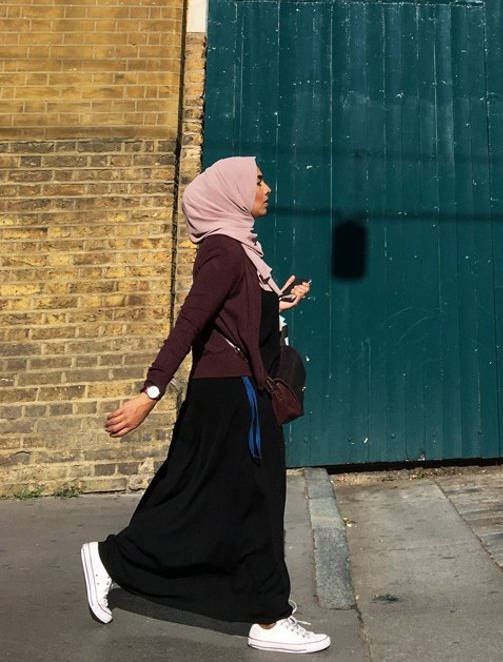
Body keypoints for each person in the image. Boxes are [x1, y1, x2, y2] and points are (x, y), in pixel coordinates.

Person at [79, 156, 330, 655]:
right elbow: (190, 323)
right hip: (230, 398)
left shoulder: (242, 251)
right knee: (250, 501)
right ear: (232, 191)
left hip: (240, 393)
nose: (267, 186)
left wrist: (277, 303)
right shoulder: (223, 251)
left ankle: (115, 561)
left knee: (213, 497)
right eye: (257, 180)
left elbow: (232, 315)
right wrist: (150, 393)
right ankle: (268, 616)